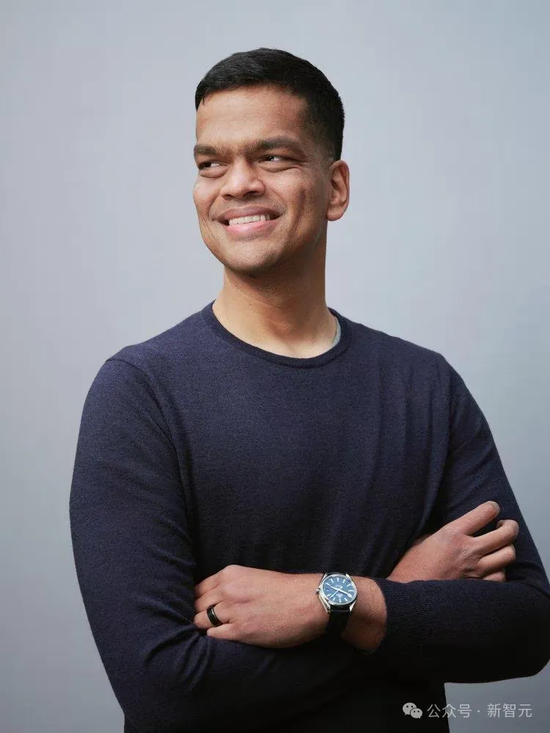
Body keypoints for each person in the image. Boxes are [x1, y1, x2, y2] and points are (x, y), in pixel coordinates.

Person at [69, 48, 550, 733]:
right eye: (211, 163)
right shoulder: (140, 393)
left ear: (336, 188)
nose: (236, 184)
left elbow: (528, 628)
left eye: (272, 157)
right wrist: (389, 597)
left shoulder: (426, 386)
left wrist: (334, 600)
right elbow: (166, 690)